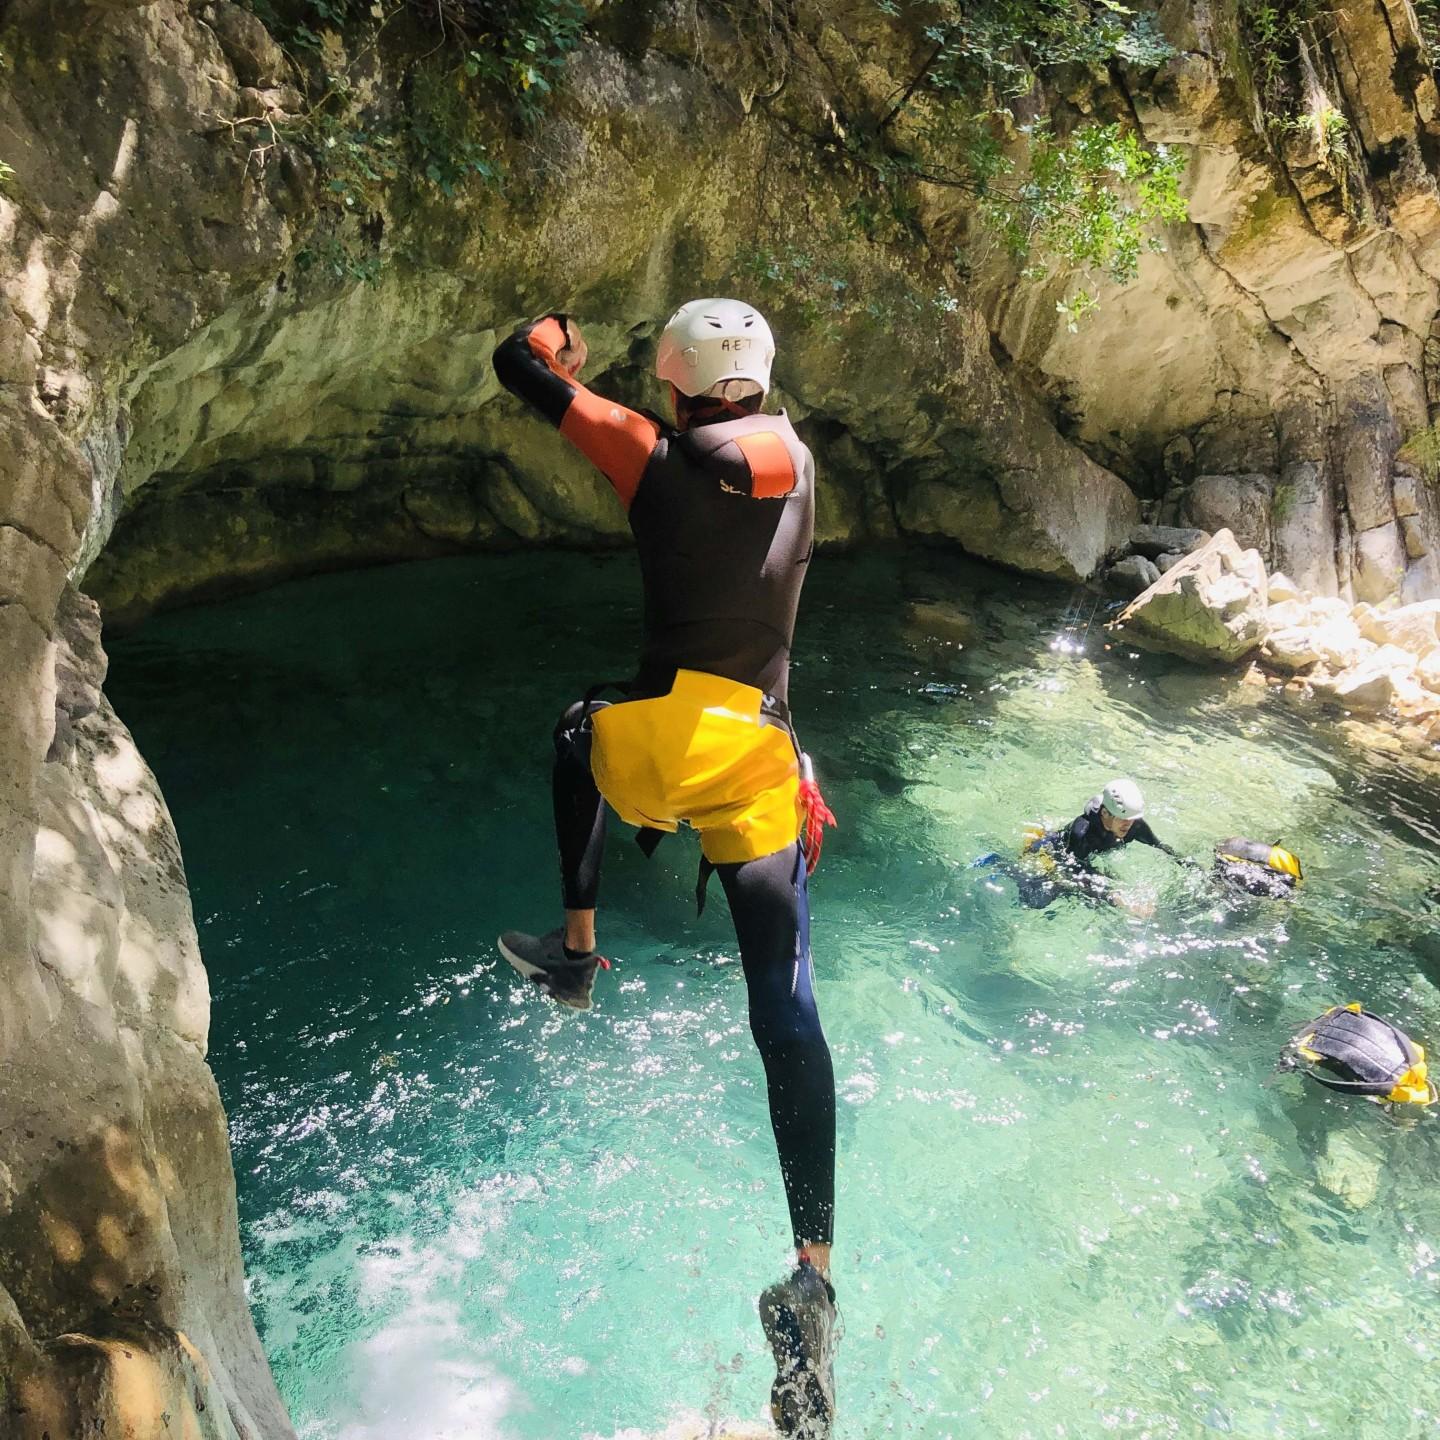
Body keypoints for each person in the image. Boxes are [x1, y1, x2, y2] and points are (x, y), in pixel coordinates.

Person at [491, 299, 838, 1437]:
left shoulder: (649, 454)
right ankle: (814, 1270)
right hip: (760, 758)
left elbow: (520, 365)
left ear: (677, 380)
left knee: (575, 731)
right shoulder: (802, 461)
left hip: (669, 741)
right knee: (786, 1007)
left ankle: (577, 955)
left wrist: (556, 335)